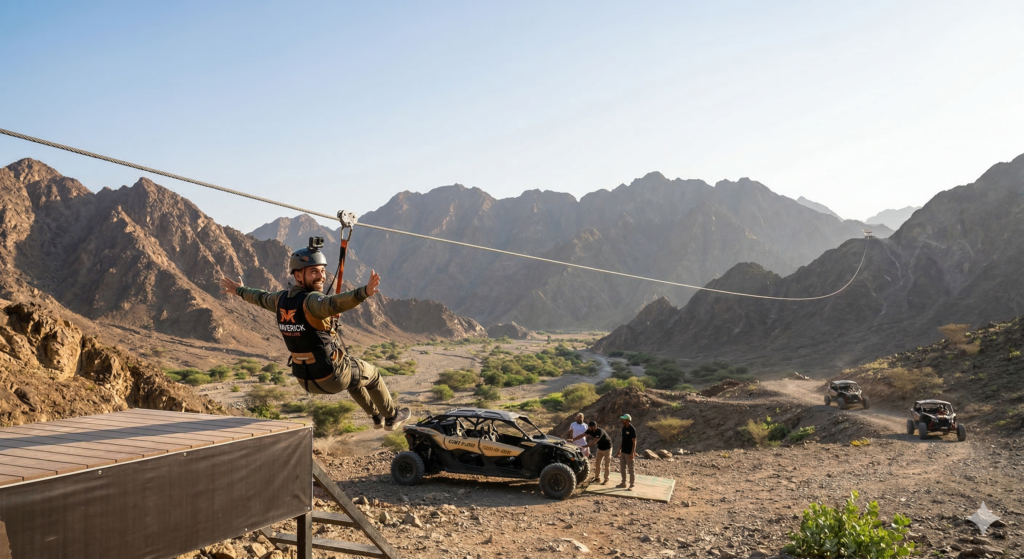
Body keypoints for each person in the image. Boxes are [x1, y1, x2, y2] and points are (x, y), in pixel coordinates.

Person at [220, 240, 410, 431]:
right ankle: (392, 416)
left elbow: (260, 297)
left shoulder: (280, 300)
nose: (321, 276)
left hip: (305, 379)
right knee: (373, 375)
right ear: (298, 275)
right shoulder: (311, 301)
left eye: (322, 271)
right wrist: (364, 292)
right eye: (314, 272)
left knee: (355, 377)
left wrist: (239, 290)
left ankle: (376, 416)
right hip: (332, 375)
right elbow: (333, 303)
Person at [615, 413, 637, 490]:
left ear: (628, 420)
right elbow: (623, 440)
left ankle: (632, 484)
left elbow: (634, 442)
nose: (622, 420)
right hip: (623, 452)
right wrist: (619, 450)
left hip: (629, 452)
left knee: (631, 469)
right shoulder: (624, 428)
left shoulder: (632, 429)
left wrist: (632, 453)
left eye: (624, 419)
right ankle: (623, 483)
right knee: (622, 468)